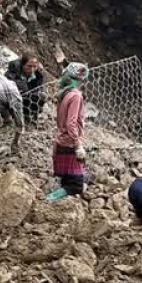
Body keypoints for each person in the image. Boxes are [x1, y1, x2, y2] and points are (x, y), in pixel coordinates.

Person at [47, 62, 89, 203]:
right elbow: (71, 123)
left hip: (61, 141)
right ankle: (48, 200)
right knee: (76, 185)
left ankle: (57, 208)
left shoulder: (64, 93)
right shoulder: (76, 96)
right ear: (81, 80)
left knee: (67, 180)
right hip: (70, 144)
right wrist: (78, 145)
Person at [6, 54, 53, 123]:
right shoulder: (12, 74)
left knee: (42, 96)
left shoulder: (37, 77)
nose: (32, 69)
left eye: (34, 66)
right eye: (29, 66)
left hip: (27, 101)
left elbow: (39, 89)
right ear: (23, 65)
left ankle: (29, 116)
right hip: (13, 101)